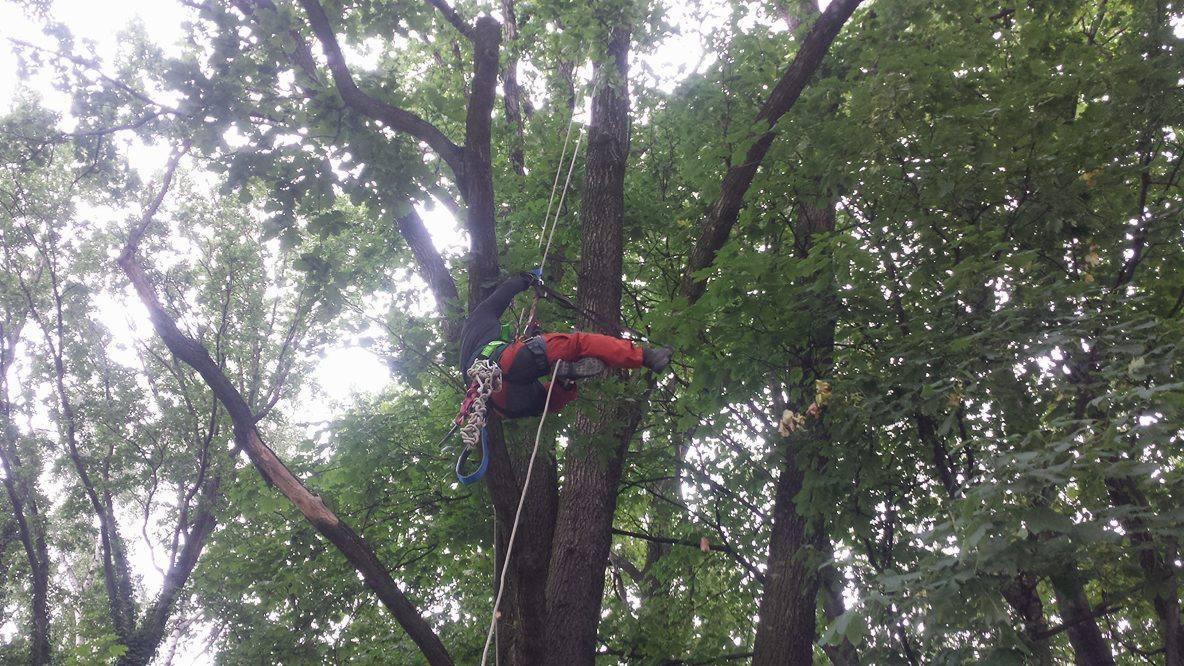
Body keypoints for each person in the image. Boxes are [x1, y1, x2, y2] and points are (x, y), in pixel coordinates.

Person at [459, 270, 674, 419]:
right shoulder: (480, 320)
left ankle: (564, 380)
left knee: (545, 402)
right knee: (577, 344)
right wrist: (526, 279)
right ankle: (645, 357)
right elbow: (502, 295)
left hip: (503, 404)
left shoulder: (472, 351)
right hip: (502, 366)